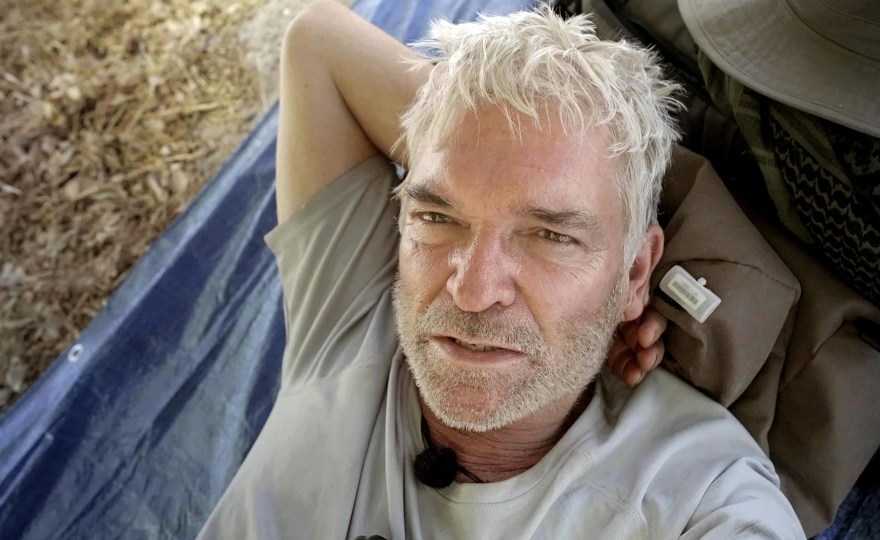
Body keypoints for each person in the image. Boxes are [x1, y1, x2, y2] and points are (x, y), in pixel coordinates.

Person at [197, 2, 804, 538]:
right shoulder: (355, 311)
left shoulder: (699, 494)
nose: (471, 289)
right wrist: (456, 124)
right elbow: (318, 39)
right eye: (438, 216)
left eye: (550, 235)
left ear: (637, 272)